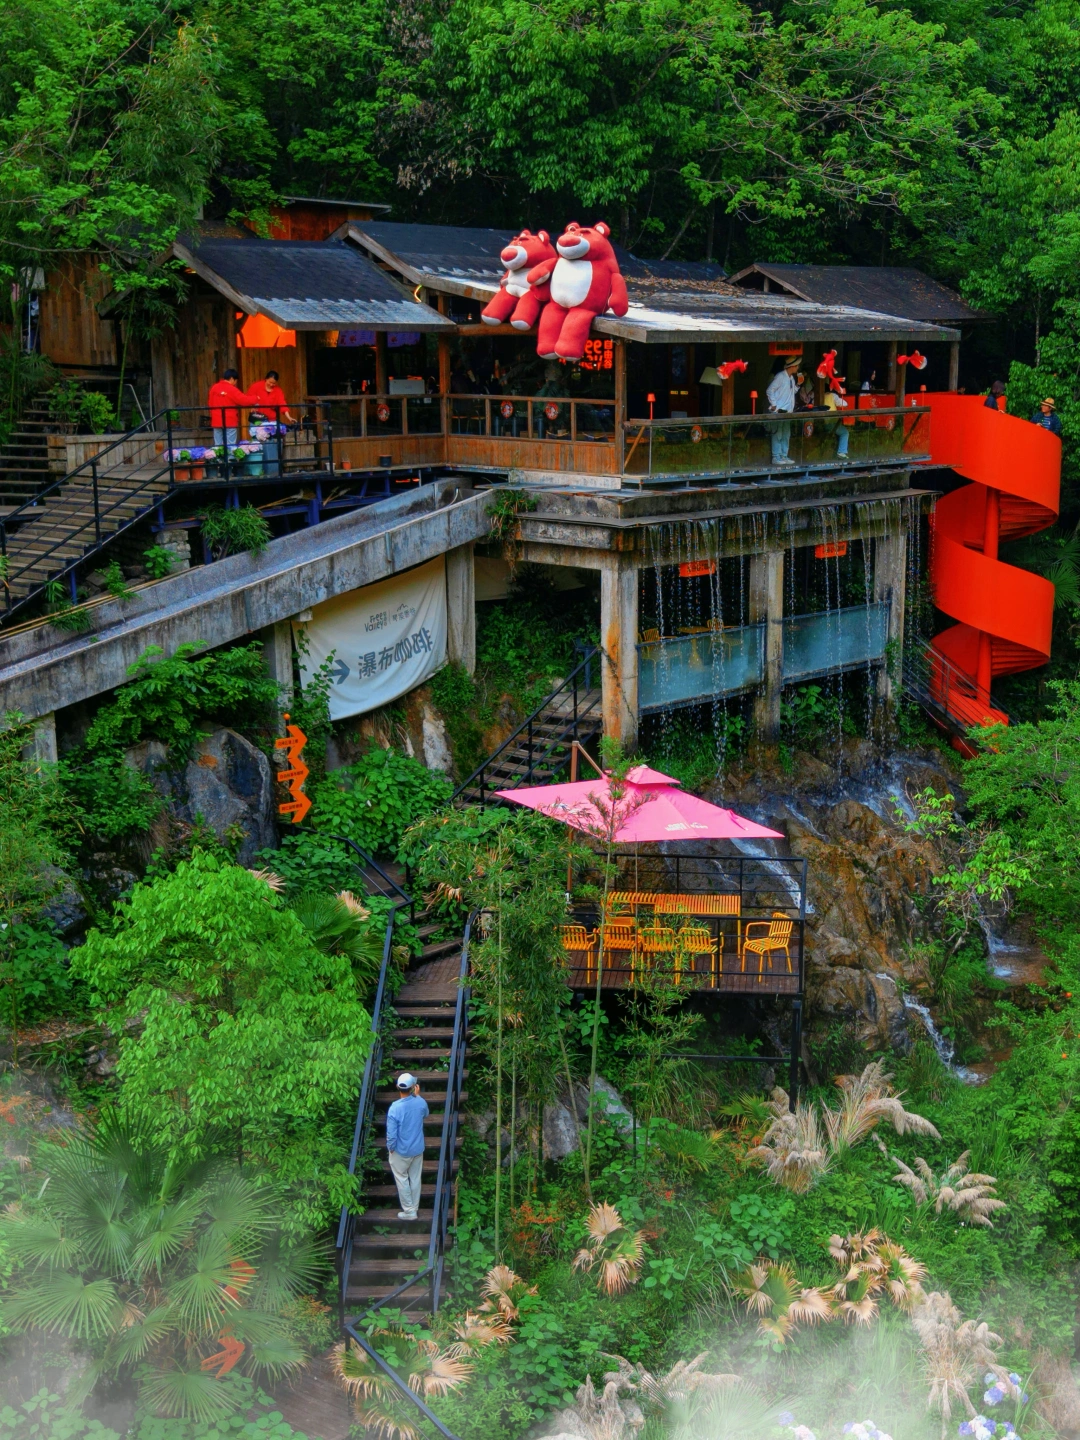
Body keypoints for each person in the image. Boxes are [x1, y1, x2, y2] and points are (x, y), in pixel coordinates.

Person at [386, 1072, 428, 1221]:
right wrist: (418, 1096)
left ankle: (409, 1211)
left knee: (402, 1178)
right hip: (417, 1148)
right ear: (413, 1088)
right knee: (415, 1178)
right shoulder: (420, 1102)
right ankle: (414, 1208)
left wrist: (391, 1147)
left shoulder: (394, 1108)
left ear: (397, 1087)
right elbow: (425, 1114)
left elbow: (392, 1134)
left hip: (401, 1151)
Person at [207, 368, 259, 452]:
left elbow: (210, 403)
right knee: (231, 446)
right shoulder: (232, 389)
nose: (235, 383)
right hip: (230, 420)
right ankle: (230, 459)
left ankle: (219, 459)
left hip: (216, 420)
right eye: (235, 381)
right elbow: (243, 400)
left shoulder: (214, 387)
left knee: (217, 446)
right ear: (232, 379)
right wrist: (256, 398)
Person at [765, 356, 800, 465]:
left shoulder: (791, 378)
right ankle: (776, 457)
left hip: (788, 411)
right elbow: (769, 390)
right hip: (779, 411)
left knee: (786, 434)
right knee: (778, 434)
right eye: (797, 365)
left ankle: (784, 455)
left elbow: (791, 392)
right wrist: (774, 404)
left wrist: (798, 384)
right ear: (792, 366)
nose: (798, 367)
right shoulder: (780, 376)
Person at [822, 387, 850, 458]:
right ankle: (841, 452)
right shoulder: (832, 395)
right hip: (831, 423)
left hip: (821, 423)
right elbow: (844, 404)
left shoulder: (818, 395)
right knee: (845, 432)